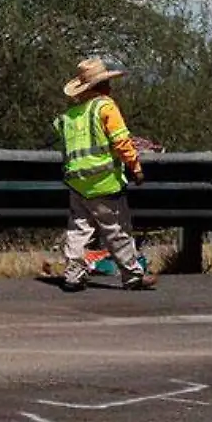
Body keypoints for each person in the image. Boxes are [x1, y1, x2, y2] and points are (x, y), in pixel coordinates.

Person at [53, 57, 156, 292]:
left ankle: (73, 275)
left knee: (79, 229)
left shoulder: (69, 116)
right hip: (104, 181)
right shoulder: (105, 107)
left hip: (77, 182)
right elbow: (121, 141)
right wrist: (136, 167)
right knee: (117, 229)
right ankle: (132, 275)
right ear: (100, 86)